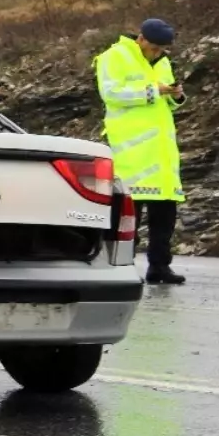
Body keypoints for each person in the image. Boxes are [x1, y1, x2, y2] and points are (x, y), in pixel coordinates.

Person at [94, 18, 187, 285]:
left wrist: (176, 96)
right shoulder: (114, 56)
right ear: (141, 39)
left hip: (161, 155)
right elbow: (110, 93)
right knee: (126, 217)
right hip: (131, 154)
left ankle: (159, 267)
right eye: (155, 48)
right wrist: (151, 90)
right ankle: (119, 267)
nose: (158, 53)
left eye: (162, 49)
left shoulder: (163, 62)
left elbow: (165, 104)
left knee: (164, 217)